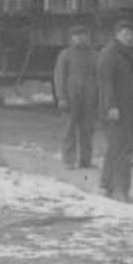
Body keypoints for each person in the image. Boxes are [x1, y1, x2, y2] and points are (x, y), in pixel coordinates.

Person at [97, 22, 133, 202]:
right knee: (121, 149)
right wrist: (111, 106)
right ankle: (121, 190)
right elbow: (106, 82)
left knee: (119, 148)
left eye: (131, 34)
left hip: (126, 108)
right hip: (116, 110)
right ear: (117, 34)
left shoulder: (124, 54)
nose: (130, 37)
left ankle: (107, 186)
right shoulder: (110, 54)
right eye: (126, 33)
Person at [53, 25, 100, 169]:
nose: (80, 38)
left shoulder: (95, 55)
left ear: (88, 37)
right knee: (69, 129)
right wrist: (61, 97)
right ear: (72, 38)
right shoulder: (65, 55)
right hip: (70, 97)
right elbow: (59, 77)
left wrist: (99, 97)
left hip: (89, 97)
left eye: (83, 35)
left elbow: (100, 77)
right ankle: (69, 160)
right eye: (77, 35)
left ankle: (86, 160)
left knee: (88, 130)